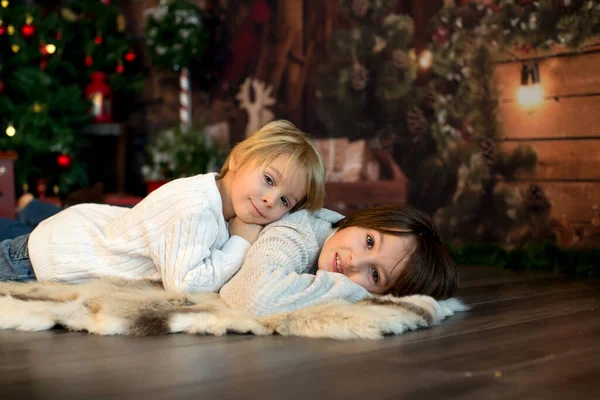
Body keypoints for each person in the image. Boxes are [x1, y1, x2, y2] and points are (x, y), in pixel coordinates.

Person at [0, 120, 326, 293]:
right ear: (239, 158)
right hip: (47, 261)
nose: (271, 200)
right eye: (269, 179)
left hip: (74, 233)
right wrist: (241, 242)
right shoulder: (196, 207)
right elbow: (186, 285)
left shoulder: (220, 203)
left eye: (285, 200)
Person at [220, 204, 458, 316]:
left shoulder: (336, 241)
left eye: (375, 275)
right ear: (364, 218)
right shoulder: (298, 233)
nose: (355, 262)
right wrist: (359, 294)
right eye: (369, 241)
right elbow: (257, 298)